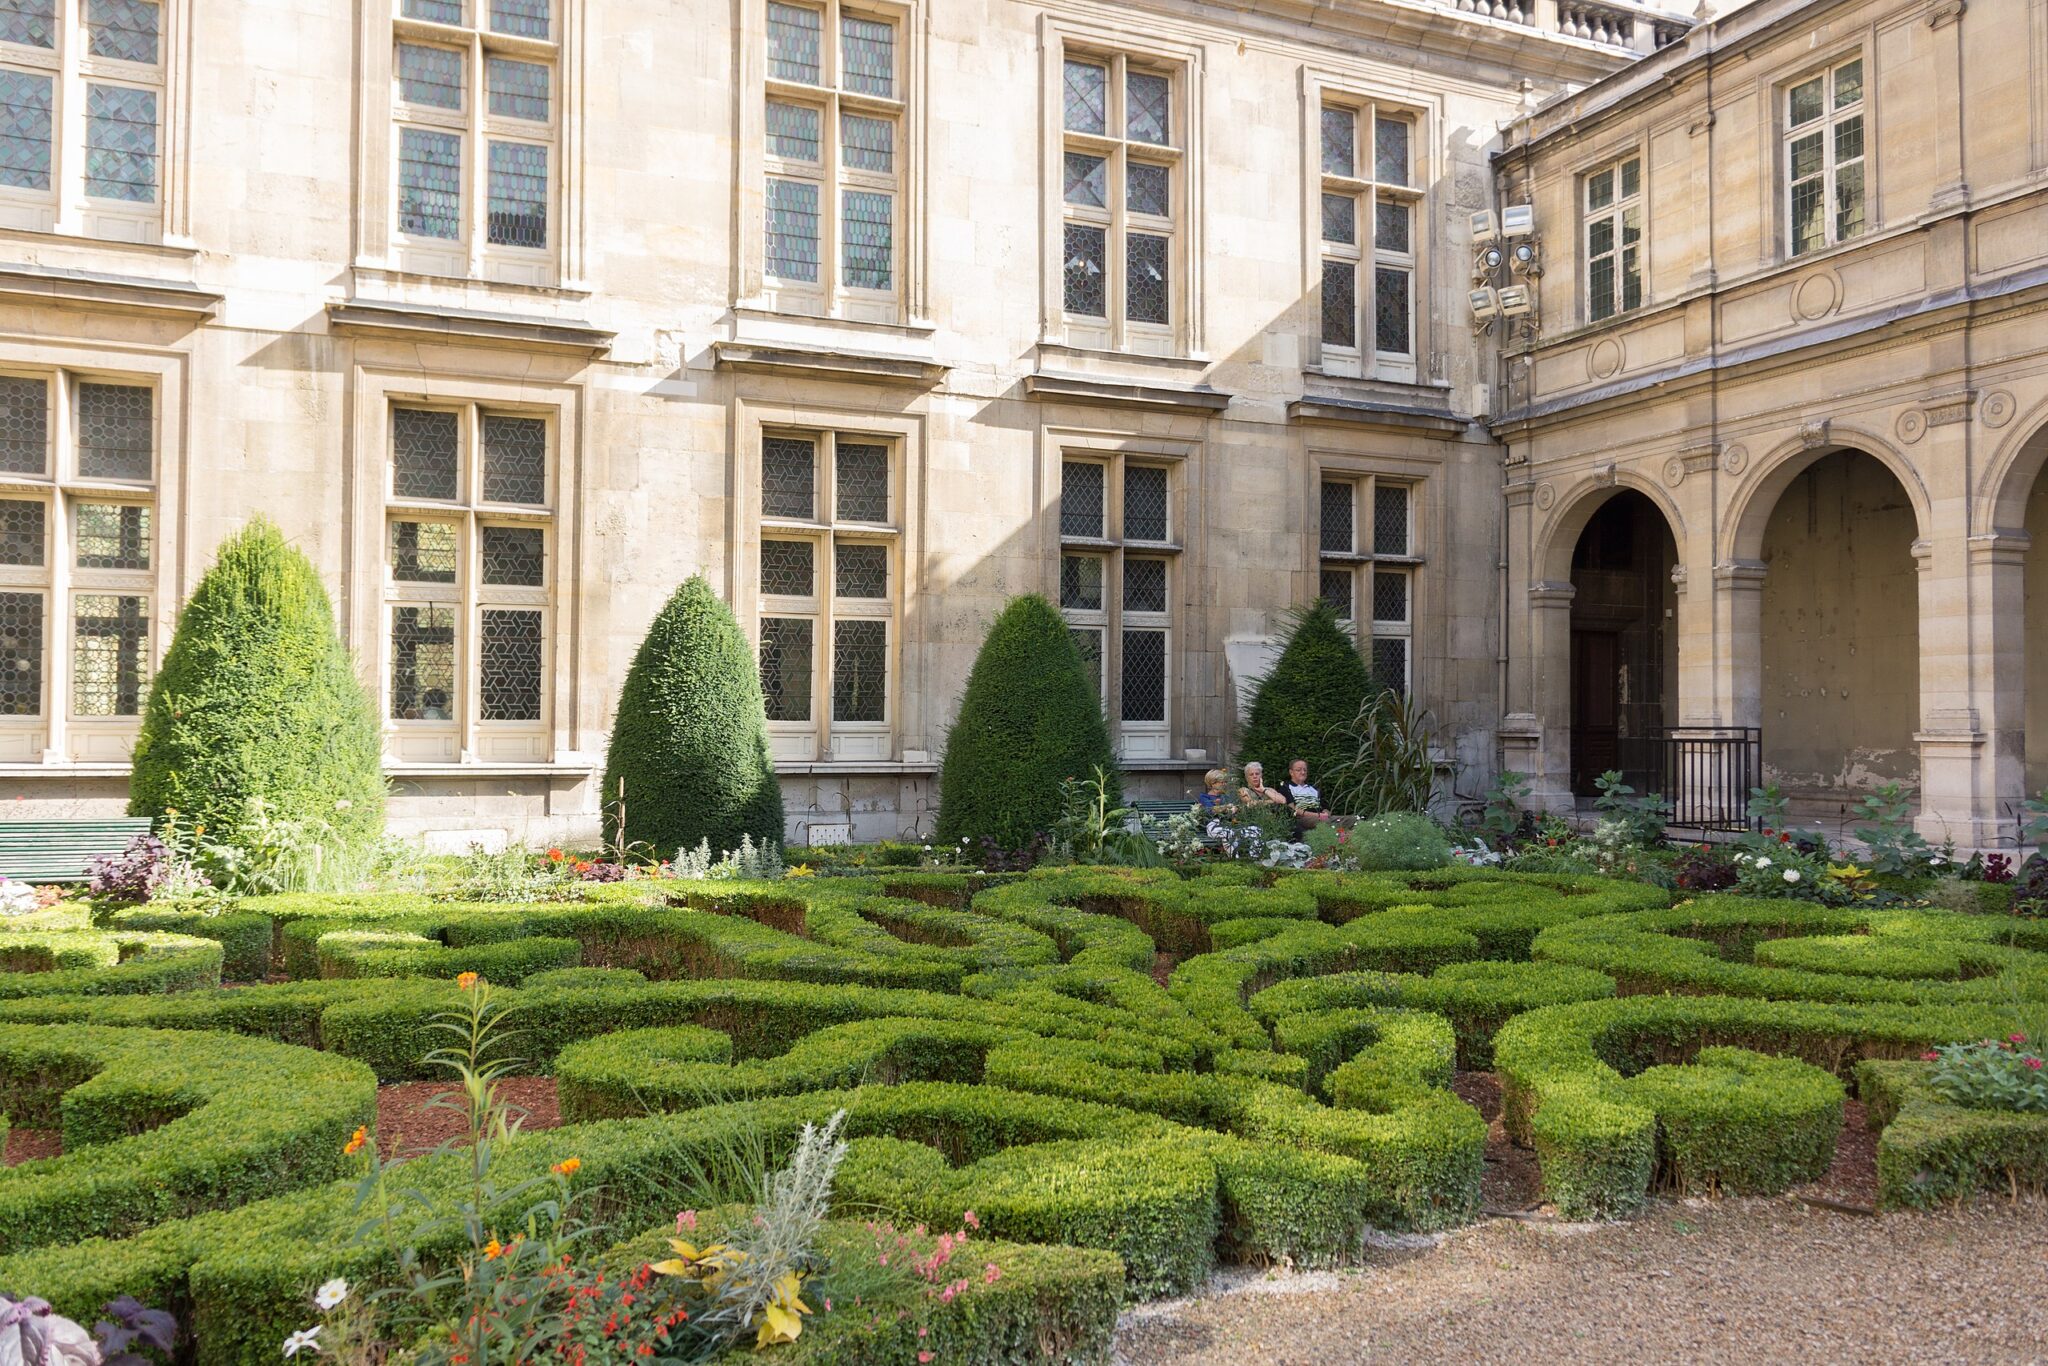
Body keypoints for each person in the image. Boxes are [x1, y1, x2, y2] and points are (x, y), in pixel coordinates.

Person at [1279, 758, 1329, 828]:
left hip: (1321, 818)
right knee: (1335, 823)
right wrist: (1318, 815)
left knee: (1347, 820)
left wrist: (1326, 814)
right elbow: (1292, 810)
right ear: (1291, 772)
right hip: (1302, 820)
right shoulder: (1286, 787)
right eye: (1298, 770)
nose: (1303, 772)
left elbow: (1325, 807)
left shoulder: (1314, 789)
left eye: (1305, 770)